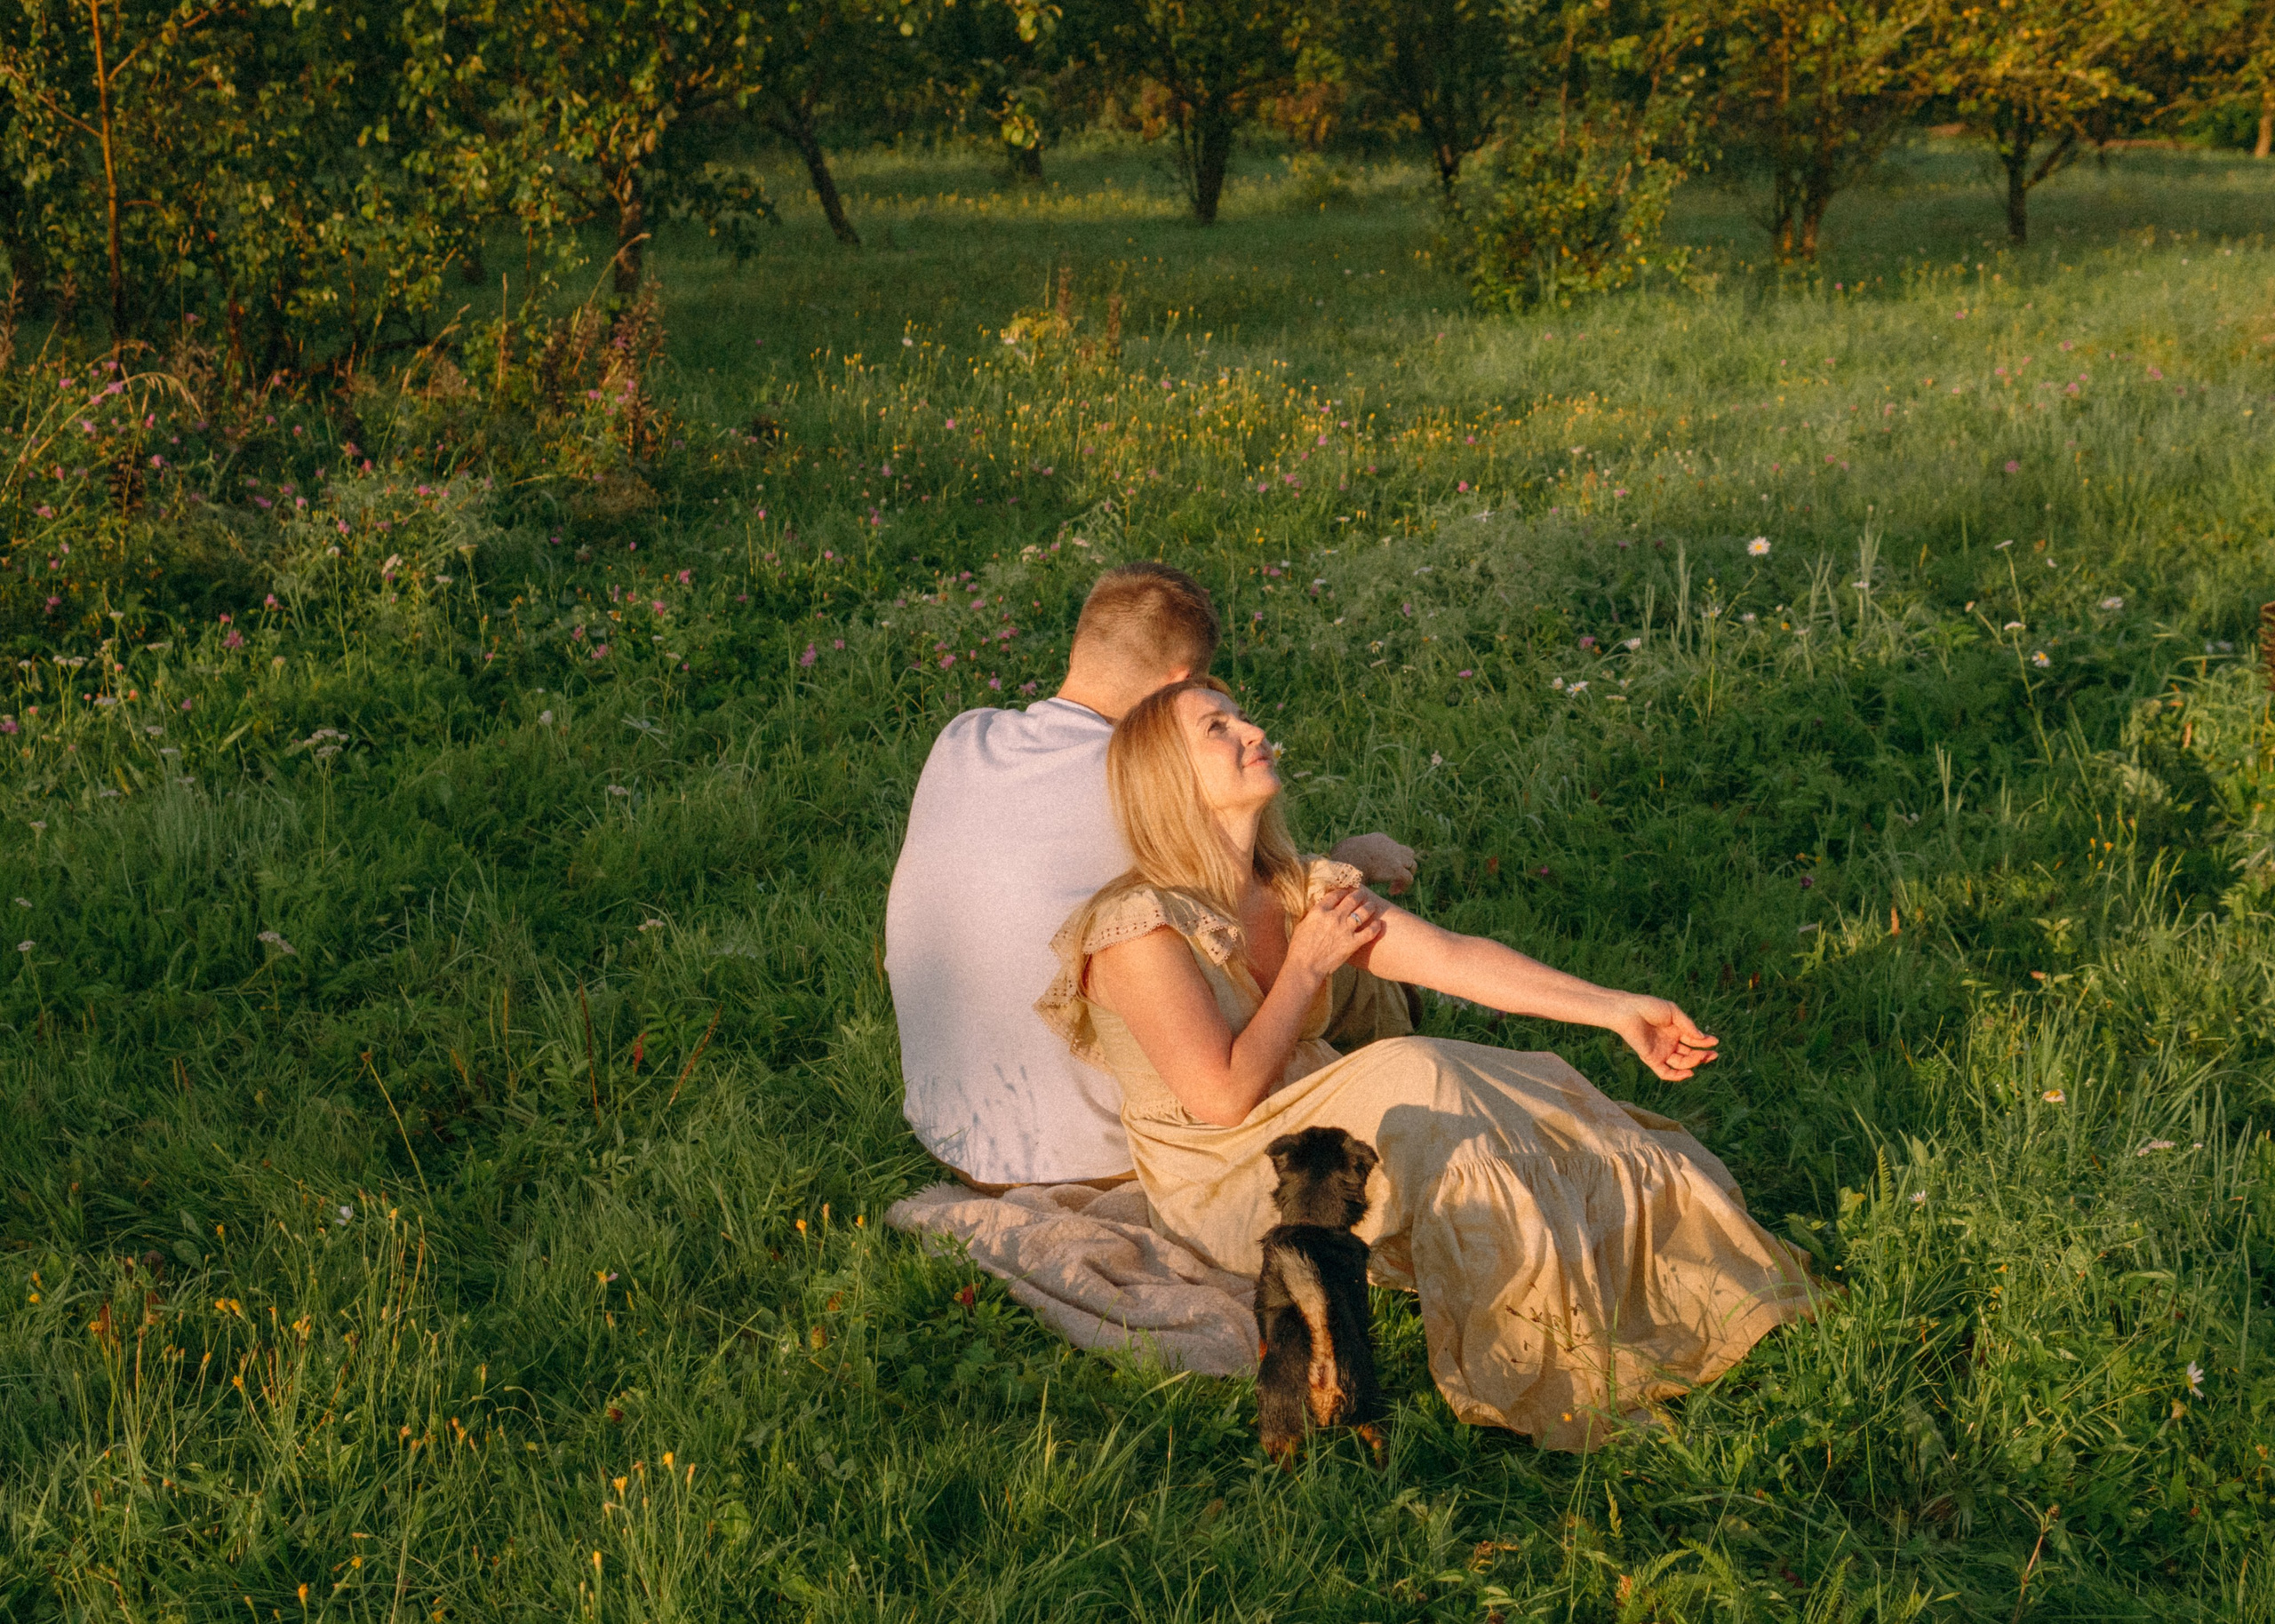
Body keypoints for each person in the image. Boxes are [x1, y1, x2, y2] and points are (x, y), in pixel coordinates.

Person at [1036, 677, 1814, 1450]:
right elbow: (1222, 1096)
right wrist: (1306, 969)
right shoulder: (1137, 931)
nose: (1249, 730)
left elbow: (1452, 957)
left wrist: (1614, 1008)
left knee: (1532, 1081)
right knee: (1422, 1075)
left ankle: (1714, 1295)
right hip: (1232, 1174)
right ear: (1167, 777)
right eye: (1216, 727)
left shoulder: (1294, 888)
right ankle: (1549, 1377)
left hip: (1315, 1121)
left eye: (1242, 715)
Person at [886, 563, 1418, 1192]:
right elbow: (1264, 905)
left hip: (951, 1136)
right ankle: (1400, 1096)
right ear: (1180, 687)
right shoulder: (1150, 784)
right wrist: (1348, 858)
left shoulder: (962, 739)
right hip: (1104, 1162)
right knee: (1336, 941)